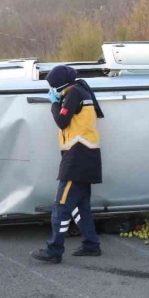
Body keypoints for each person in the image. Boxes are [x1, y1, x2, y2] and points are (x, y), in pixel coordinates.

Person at [31, 65, 105, 264]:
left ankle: (54, 250)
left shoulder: (73, 93)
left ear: (59, 83)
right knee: (81, 207)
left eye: (52, 85)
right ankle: (91, 245)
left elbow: (62, 121)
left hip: (77, 159)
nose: (51, 88)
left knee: (61, 206)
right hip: (85, 157)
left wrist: (54, 105)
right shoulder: (79, 90)